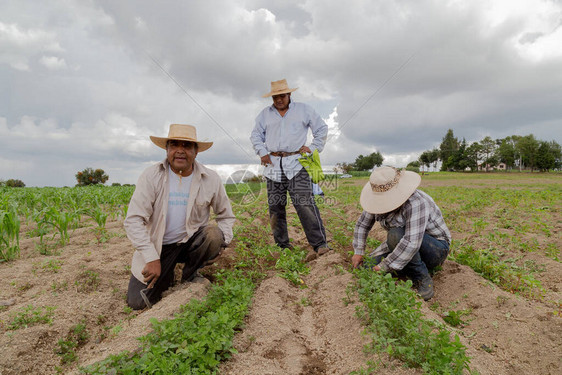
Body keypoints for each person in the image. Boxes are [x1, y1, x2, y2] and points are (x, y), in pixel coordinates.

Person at [124, 123, 235, 310]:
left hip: (190, 244)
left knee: (213, 235)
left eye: (186, 146)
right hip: (159, 248)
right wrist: (151, 258)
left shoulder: (211, 178)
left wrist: (223, 241)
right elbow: (134, 219)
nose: (180, 151)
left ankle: (191, 275)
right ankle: (167, 273)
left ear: (196, 151)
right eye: (175, 145)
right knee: (138, 302)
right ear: (167, 149)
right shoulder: (151, 176)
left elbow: (225, 215)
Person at [250, 79, 330, 258]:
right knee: (275, 207)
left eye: (282, 96)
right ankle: (282, 246)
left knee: (305, 204)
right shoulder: (264, 115)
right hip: (272, 166)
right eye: (275, 96)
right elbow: (255, 135)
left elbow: (322, 129)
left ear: (289, 95)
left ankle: (320, 245)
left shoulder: (304, 110)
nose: (279, 99)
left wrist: (313, 148)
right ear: (272, 97)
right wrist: (262, 152)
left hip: (297, 164)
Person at [351, 166, 451, 300]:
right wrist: (358, 252)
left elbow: (411, 242)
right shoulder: (376, 202)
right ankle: (403, 266)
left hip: (435, 249)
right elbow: (363, 225)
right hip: (404, 243)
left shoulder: (416, 202)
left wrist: (384, 266)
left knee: (395, 234)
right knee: (367, 267)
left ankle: (421, 276)